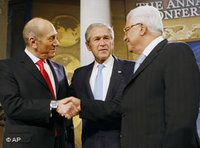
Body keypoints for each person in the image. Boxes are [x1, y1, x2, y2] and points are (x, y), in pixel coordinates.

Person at [57, 5, 200, 148]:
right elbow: (123, 106)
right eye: (96, 39)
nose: (125, 37)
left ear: (142, 28)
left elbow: (181, 121)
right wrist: (79, 105)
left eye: (127, 30)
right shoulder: (145, 63)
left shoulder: (176, 52)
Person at [0, 17, 74, 148]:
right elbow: (12, 106)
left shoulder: (59, 69)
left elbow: (66, 112)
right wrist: (53, 105)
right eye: (51, 38)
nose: (56, 43)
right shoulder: (7, 68)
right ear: (33, 42)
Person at [69, 23, 135, 148]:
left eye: (106, 38)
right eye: (97, 39)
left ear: (112, 42)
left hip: (122, 143)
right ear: (88, 46)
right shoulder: (80, 74)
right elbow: (68, 103)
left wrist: (81, 105)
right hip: (90, 143)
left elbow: (125, 107)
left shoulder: (131, 69)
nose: (102, 43)